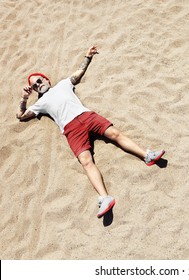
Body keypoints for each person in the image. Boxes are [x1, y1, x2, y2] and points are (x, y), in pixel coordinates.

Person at [16, 46, 165, 218]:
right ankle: (105, 197)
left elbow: (79, 72)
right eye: (35, 85)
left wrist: (88, 57)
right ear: (34, 90)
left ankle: (147, 156)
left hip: (86, 116)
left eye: (39, 80)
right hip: (71, 129)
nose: (38, 84)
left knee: (115, 134)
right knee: (86, 161)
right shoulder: (39, 104)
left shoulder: (64, 84)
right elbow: (21, 115)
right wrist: (24, 98)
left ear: (46, 79)